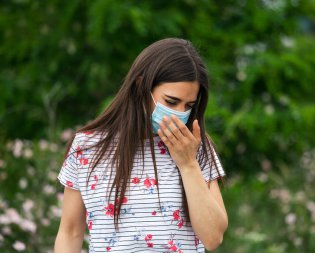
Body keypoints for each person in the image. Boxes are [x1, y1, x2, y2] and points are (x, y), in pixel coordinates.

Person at [54, 38, 228, 253]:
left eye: (189, 105)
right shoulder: (88, 147)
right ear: (140, 87)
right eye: (171, 102)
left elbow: (213, 238)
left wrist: (188, 164)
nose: (180, 113)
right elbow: (70, 232)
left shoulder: (195, 146)